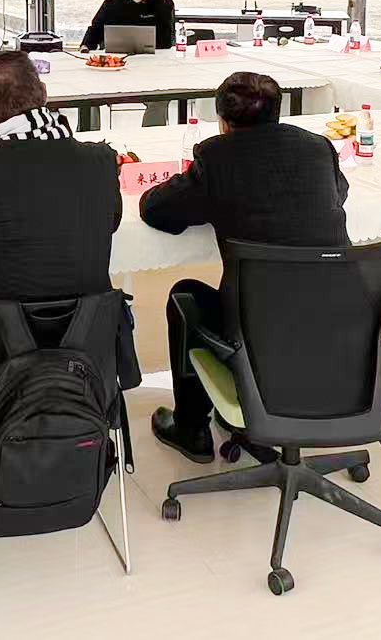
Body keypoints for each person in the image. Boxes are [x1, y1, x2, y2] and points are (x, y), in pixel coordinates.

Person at [139, 71, 350, 462]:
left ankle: (192, 428)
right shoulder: (316, 147)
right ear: (278, 112)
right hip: (338, 328)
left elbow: (156, 210)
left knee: (185, 297)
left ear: (222, 121)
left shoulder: (217, 157)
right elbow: (340, 191)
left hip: (258, 332)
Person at [0, 51, 120, 393]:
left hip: (0, 349)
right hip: (87, 345)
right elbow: (111, 220)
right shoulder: (100, 160)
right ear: (44, 94)